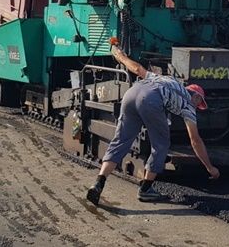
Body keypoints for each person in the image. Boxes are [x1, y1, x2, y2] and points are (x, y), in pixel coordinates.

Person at [86, 43, 220, 205]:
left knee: (120, 140)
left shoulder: (168, 79)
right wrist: (209, 167)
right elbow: (195, 140)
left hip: (131, 94)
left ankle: (98, 183)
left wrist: (120, 57)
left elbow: (137, 69)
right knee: (161, 144)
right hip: (151, 100)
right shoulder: (189, 105)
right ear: (197, 97)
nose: (198, 106)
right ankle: (145, 189)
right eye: (199, 103)